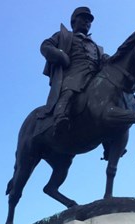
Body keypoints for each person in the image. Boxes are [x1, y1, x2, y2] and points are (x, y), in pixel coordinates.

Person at [40, 7, 109, 137]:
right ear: (73, 22)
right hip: (74, 73)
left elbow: (103, 61)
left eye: (89, 21)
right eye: (83, 19)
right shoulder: (64, 36)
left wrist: (107, 59)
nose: (86, 23)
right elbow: (45, 46)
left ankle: (109, 136)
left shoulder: (96, 46)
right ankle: (60, 116)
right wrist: (60, 55)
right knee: (70, 89)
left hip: (95, 75)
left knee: (109, 94)